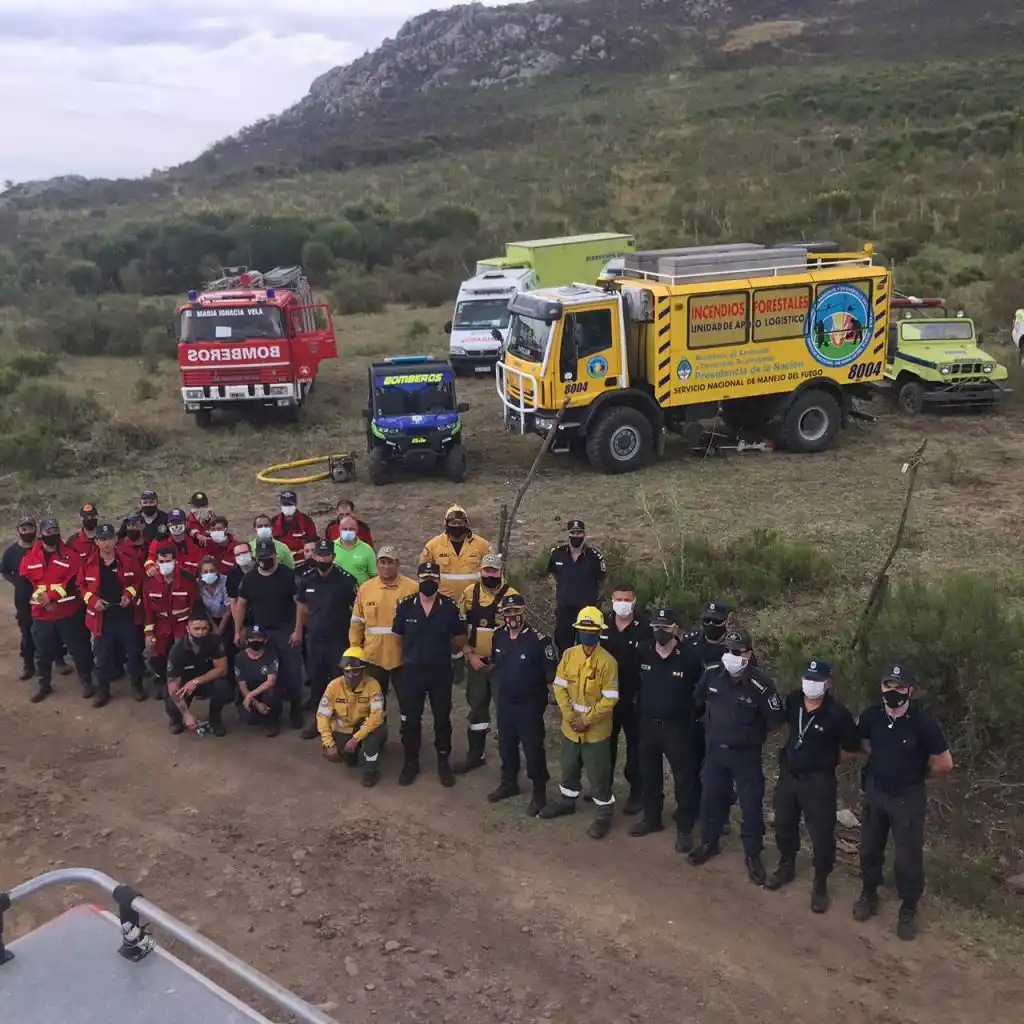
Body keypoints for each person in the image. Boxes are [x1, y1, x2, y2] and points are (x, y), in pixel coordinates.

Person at [853, 663, 953, 941]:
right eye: (888, 685)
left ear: (910, 690)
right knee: (870, 848)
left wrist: (917, 773)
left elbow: (945, 763)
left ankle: (908, 907)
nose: (893, 691)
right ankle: (869, 893)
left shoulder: (923, 723)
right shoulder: (871, 716)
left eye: (899, 686)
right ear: (881, 687)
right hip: (876, 791)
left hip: (907, 797)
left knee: (908, 856)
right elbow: (863, 743)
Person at [764, 658, 861, 913]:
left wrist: (826, 762)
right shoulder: (795, 699)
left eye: (817, 680)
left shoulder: (838, 714)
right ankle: (787, 865)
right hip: (789, 776)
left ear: (827, 683)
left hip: (818, 782)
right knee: (784, 823)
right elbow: (783, 725)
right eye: (808, 678)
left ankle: (820, 883)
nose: (811, 684)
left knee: (821, 833)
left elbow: (852, 748)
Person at [688, 629, 785, 883]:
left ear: (748, 654)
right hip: (716, 752)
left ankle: (753, 855)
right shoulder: (712, 674)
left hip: (745, 756)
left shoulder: (761, 685)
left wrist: (750, 735)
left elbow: (775, 720)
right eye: (728, 650)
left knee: (750, 805)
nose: (731, 655)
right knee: (710, 797)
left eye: (738, 652)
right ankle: (710, 841)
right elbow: (698, 698)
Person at [539, 606, 619, 839]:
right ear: (577, 630)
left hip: (595, 731)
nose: (587, 633)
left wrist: (586, 720)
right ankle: (567, 801)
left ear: (599, 632)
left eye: (591, 629)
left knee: (598, 774)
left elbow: (609, 699)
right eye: (583, 629)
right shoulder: (568, 655)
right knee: (569, 768)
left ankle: (603, 813)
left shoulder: (608, 662)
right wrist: (569, 715)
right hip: (571, 727)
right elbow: (559, 686)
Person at [392, 561, 468, 787]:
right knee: (411, 719)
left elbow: (459, 637)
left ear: (439, 580)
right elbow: (398, 638)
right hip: (413, 672)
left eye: (432, 578)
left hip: (440, 673)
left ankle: (443, 762)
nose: (428, 582)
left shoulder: (449, 607)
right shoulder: (405, 607)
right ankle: (410, 763)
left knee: (442, 719)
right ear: (418, 579)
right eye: (424, 578)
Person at [629, 608, 699, 852]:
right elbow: (635, 682)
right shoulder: (643, 651)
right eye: (657, 626)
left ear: (675, 629)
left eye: (666, 627)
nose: (660, 631)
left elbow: (698, 692)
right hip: (647, 723)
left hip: (677, 727)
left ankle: (685, 828)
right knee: (648, 773)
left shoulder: (689, 657)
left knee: (684, 778)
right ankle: (652, 818)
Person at [486, 593, 556, 816]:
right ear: (502, 615)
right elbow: (496, 664)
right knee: (506, 745)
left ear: (523, 612)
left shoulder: (539, 640)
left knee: (533, 749)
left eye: (516, 611)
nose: (512, 616)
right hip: (505, 701)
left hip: (530, 705)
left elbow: (551, 675)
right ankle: (509, 783)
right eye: (508, 612)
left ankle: (539, 792)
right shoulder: (498, 636)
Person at [453, 553, 518, 775]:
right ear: (481, 571)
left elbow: (518, 634)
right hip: (476, 663)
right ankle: (475, 754)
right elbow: (459, 628)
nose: (490, 575)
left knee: (506, 712)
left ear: (501, 572)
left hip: (502, 666)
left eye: (494, 571)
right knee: (477, 709)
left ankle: (508, 764)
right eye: (487, 570)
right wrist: (468, 655)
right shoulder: (469, 594)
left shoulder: (512, 597)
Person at [19, 517, 95, 703]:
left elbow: (72, 584)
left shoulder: (71, 556)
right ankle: (44, 685)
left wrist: (51, 597)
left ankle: (86, 681)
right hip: (42, 615)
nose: (52, 534)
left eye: (55, 531)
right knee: (42, 653)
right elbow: (25, 587)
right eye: (48, 532)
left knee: (78, 649)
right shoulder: (29, 559)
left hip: (68, 613)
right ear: (41, 534)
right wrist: (43, 601)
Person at [234, 539, 304, 729]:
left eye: (268, 556)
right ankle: (272, 713)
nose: (265, 560)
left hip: (285, 629)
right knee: (266, 674)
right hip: (260, 633)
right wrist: (237, 630)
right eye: (261, 557)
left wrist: (298, 630)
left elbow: (299, 603)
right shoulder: (249, 579)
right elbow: (241, 604)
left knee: (292, 671)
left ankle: (296, 709)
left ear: (276, 556)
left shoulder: (288, 575)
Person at [680, 601, 734, 831]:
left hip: (722, 718)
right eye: (707, 620)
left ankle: (720, 817)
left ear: (726, 621)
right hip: (693, 713)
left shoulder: (735, 648)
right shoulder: (690, 643)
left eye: (716, 621)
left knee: (720, 770)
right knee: (690, 764)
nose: (711, 625)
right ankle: (692, 808)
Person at [79, 523, 146, 706]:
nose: (106, 543)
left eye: (109, 538)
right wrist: (93, 601)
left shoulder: (128, 560)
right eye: (102, 539)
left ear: (116, 539)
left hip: (126, 617)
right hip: (102, 619)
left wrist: (128, 596)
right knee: (102, 658)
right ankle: (103, 692)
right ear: (97, 542)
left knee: (133, 655)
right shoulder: (89, 564)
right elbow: (82, 587)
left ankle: (137, 687)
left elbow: (137, 582)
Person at [297, 540, 358, 740]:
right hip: (315, 641)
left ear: (333, 556)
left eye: (326, 556)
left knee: (340, 682)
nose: (322, 559)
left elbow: (357, 609)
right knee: (317, 682)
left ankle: (343, 723)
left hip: (338, 641)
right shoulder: (307, 579)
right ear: (314, 557)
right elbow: (302, 605)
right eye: (319, 555)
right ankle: (319, 722)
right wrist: (299, 629)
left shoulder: (346, 581)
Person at [599, 582, 651, 815]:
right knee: (605, 744)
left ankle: (636, 792)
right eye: (618, 599)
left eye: (627, 599)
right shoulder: (602, 622)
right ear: (612, 600)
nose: (622, 604)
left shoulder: (646, 627)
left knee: (635, 747)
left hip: (634, 697)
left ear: (634, 601)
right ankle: (603, 788)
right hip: (606, 696)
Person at [349, 546, 418, 704]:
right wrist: (355, 650)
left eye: (390, 563)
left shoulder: (412, 589)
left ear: (398, 564)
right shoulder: (366, 589)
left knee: (409, 703)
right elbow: (357, 622)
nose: (386, 567)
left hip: (403, 658)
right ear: (377, 565)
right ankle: (378, 729)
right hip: (373, 658)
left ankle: (408, 728)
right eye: (382, 562)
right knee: (375, 704)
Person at [317, 647, 388, 787]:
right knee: (340, 756)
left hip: (366, 729)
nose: (350, 676)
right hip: (343, 730)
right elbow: (322, 715)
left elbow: (376, 716)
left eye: (355, 671)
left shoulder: (373, 685)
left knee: (374, 737)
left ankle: (370, 770)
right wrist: (328, 743)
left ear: (363, 670)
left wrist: (356, 739)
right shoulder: (333, 686)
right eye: (346, 671)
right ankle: (351, 753)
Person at [143, 545, 199, 696]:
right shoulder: (149, 581)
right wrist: (149, 634)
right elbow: (148, 611)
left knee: (180, 654)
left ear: (175, 561)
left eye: (168, 561)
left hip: (182, 625)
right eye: (161, 561)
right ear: (156, 562)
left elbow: (196, 607)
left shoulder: (187, 579)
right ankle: (163, 681)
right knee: (153, 654)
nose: (164, 564)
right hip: (162, 625)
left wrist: (193, 630)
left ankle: (182, 684)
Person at [165, 609, 232, 736]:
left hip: (205, 682)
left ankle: (215, 719)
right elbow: (173, 685)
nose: (200, 632)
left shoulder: (215, 642)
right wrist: (186, 714)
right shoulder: (177, 650)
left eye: (204, 628)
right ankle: (177, 720)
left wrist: (196, 682)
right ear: (188, 629)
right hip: (184, 685)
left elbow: (222, 669)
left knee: (223, 689)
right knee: (171, 701)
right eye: (196, 629)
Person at [545, 519, 607, 655]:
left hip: (587, 611)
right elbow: (552, 574)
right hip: (564, 610)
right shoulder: (557, 554)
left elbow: (602, 581)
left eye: (579, 532)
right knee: (563, 647)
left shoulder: (595, 557)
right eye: (573, 532)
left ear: (584, 534)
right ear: (568, 534)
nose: (576, 535)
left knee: (587, 647)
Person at [2, 516, 39, 681]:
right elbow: (4, 571)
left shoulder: (43, 546)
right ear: (18, 531)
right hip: (23, 597)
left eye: (30, 529)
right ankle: (29, 665)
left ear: (35, 529)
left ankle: (59, 660)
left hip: (46, 595)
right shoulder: (11, 552)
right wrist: (16, 582)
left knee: (52, 629)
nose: (27, 532)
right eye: (23, 529)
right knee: (27, 630)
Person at [235, 624, 284, 737]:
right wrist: (255, 703)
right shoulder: (240, 657)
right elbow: (242, 684)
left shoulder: (271, 654)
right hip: (250, 691)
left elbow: (271, 681)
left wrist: (249, 696)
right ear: (247, 640)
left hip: (265, 690)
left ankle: (272, 721)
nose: (255, 640)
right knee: (249, 720)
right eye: (252, 638)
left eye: (259, 638)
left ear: (265, 640)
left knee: (271, 693)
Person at [144, 509, 201, 576]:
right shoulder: (160, 542)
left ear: (185, 523)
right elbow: (151, 557)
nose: (176, 526)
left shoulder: (194, 542)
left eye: (179, 522)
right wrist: (150, 567)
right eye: (173, 523)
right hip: (165, 581)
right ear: (168, 525)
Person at [197, 555, 233, 647]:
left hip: (227, 619)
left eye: (212, 571)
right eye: (205, 572)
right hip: (208, 620)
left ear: (217, 571)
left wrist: (219, 630)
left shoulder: (226, 581)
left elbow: (229, 609)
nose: (209, 573)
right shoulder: (198, 585)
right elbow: (203, 608)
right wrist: (213, 626)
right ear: (200, 573)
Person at [331, 514, 376, 586]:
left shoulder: (367, 549)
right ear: (339, 529)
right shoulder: (331, 547)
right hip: (336, 595)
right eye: (345, 529)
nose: (348, 532)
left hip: (360, 594)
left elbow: (374, 576)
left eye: (351, 529)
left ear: (357, 529)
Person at [271, 490, 318, 556]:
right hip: (281, 558)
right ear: (281, 505)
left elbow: (313, 541)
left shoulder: (306, 520)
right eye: (285, 504)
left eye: (290, 504)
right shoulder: (273, 521)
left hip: (302, 558)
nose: (287, 507)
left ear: (295, 504)